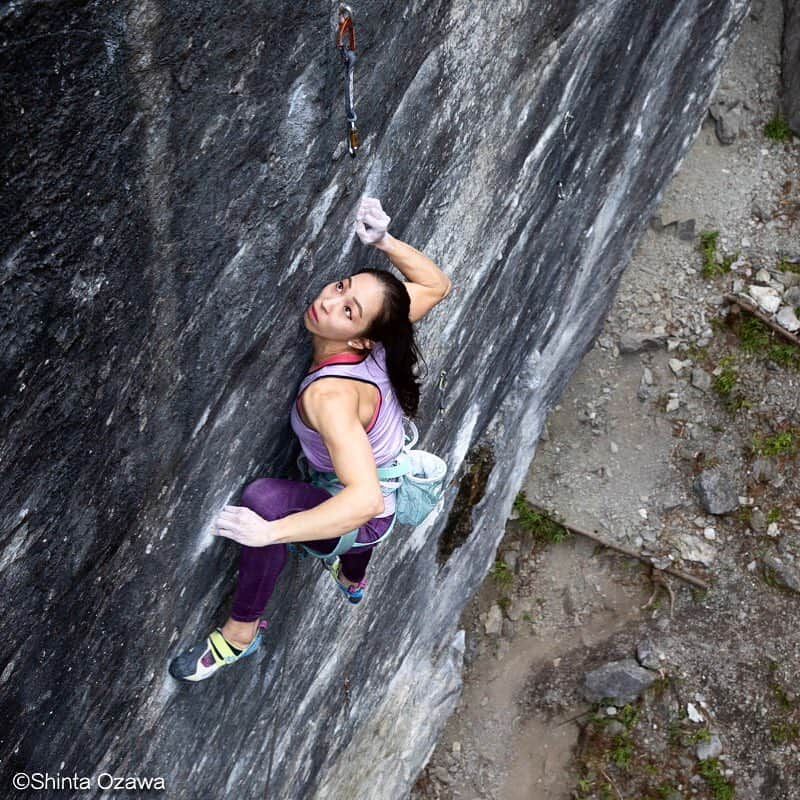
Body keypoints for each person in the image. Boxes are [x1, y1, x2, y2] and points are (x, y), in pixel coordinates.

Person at [169, 197, 452, 681]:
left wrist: (270, 532)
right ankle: (352, 577)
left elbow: (360, 501)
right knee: (368, 524)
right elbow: (436, 285)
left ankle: (240, 635)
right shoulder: (381, 335)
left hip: (364, 512)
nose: (327, 302)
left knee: (264, 501)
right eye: (341, 287)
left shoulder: (331, 397)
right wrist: (383, 240)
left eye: (348, 309)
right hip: (384, 499)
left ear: (362, 338)